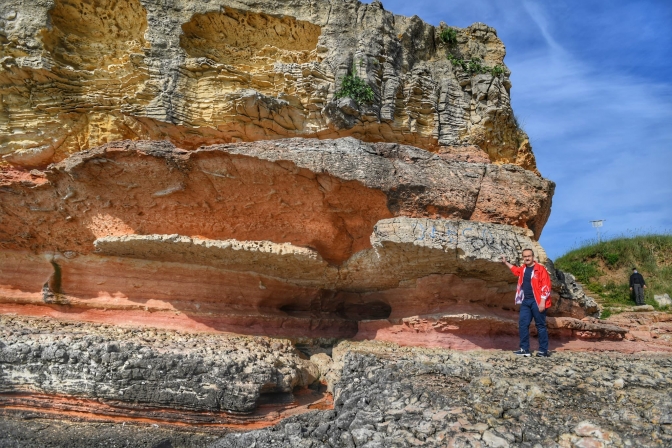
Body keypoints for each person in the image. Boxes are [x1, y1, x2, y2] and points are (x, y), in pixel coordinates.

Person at [501, 249, 552, 357]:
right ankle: (524, 349)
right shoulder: (523, 269)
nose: (527, 258)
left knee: (540, 325)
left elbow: (546, 286)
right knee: (523, 324)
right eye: (525, 256)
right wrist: (506, 262)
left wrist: (542, 302)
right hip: (526, 301)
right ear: (523, 258)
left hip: (537, 301)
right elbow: (515, 270)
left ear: (533, 256)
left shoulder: (540, 269)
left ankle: (543, 351)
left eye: (529, 256)